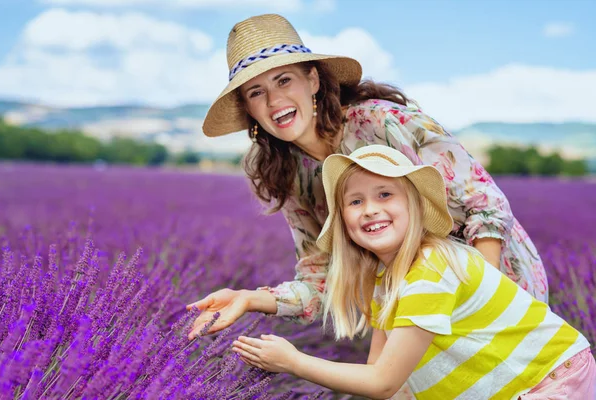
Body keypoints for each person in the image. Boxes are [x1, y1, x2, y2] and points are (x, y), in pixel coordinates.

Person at [188, 13, 548, 339]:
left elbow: (484, 204)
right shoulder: (292, 176)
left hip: (494, 278)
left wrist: (483, 294)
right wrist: (249, 298)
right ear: (249, 109)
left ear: (312, 80)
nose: (273, 100)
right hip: (415, 305)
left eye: (284, 81)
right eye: (257, 92)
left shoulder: (380, 123)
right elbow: (321, 280)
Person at [231, 145, 595, 399]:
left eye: (385, 194)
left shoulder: (432, 268)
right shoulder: (382, 283)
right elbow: (379, 370)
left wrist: (293, 361)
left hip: (550, 383)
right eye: (355, 202)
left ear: (415, 207)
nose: (370, 209)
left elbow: (381, 382)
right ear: (343, 222)